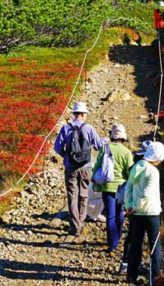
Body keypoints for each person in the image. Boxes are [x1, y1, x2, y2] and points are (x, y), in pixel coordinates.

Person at [53, 101, 104, 237]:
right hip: (86, 167)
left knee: (72, 195)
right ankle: (81, 222)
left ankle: (74, 226)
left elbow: (57, 148)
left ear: (74, 114)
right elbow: (99, 146)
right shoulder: (89, 128)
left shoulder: (65, 128)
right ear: (82, 114)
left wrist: (67, 156)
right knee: (84, 194)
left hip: (70, 167)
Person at [124, 140, 164, 284]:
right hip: (151, 213)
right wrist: (136, 207)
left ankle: (131, 275)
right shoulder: (153, 171)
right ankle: (155, 277)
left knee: (136, 244)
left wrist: (130, 206)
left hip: (136, 214)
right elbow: (147, 194)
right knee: (154, 245)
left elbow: (129, 187)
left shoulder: (136, 167)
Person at [92, 123, 134, 258]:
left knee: (110, 215)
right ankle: (118, 236)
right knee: (119, 212)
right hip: (121, 187)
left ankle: (112, 243)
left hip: (107, 186)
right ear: (123, 137)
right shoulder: (126, 152)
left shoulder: (104, 148)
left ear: (112, 135)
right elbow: (130, 171)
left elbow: (97, 166)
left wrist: (94, 180)